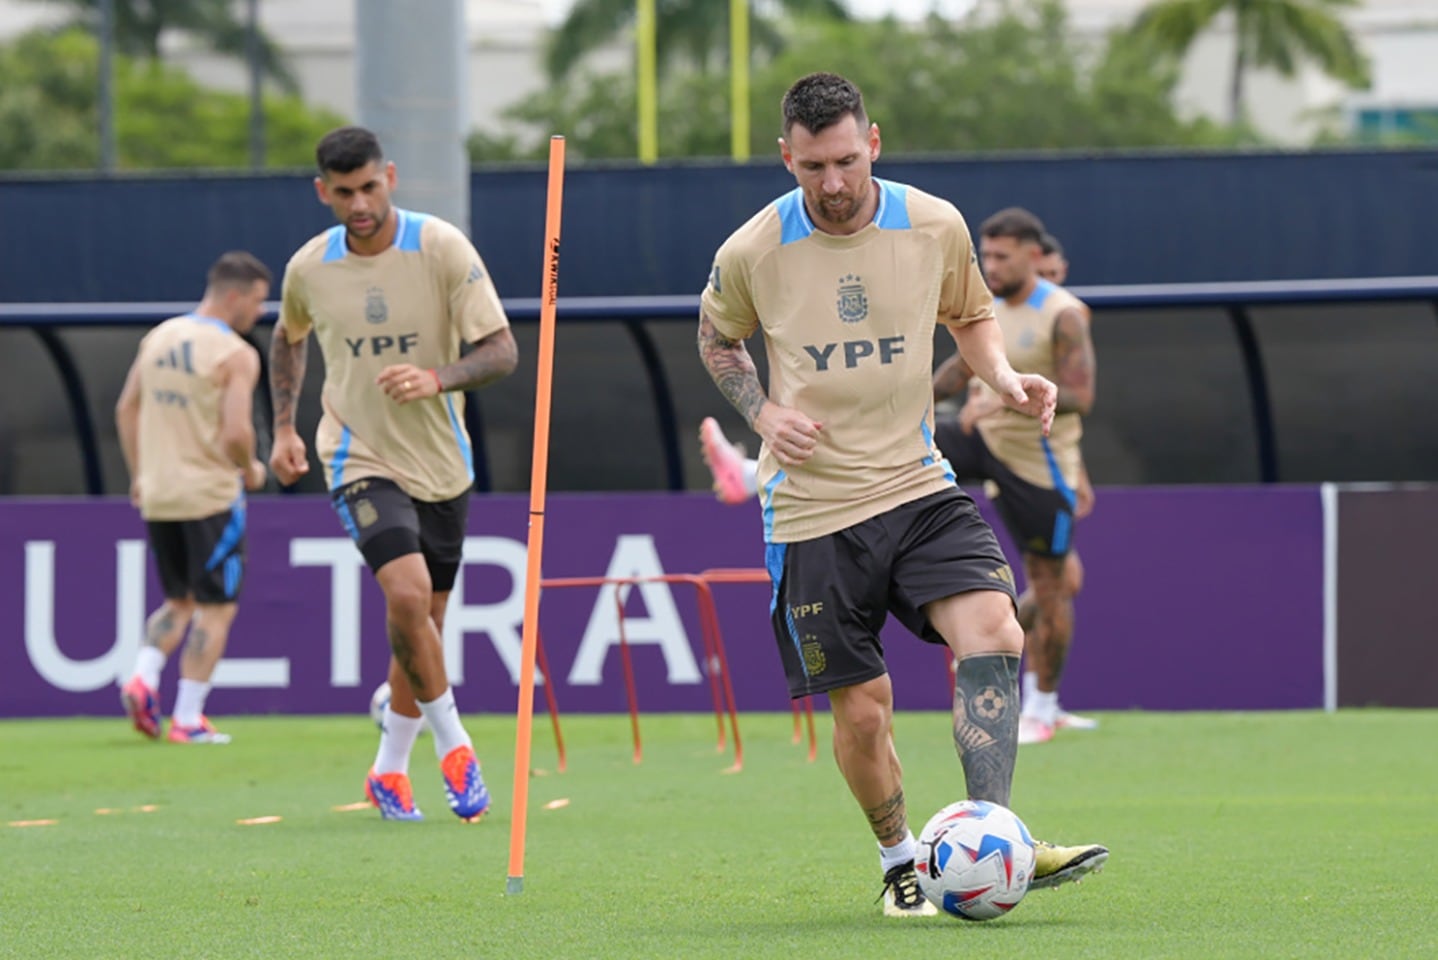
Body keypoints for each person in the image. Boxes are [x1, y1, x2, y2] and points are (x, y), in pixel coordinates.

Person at [697, 72, 1107, 918]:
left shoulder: (934, 222)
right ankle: (901, 866)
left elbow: (971, 312)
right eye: (813, 168)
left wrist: (1000, 376)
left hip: (917, 483)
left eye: (847, 160)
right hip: (811, 510)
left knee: (995, 626)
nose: (834, 184)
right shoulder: (752, 250)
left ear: (873, 142)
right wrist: (764, 412)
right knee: (863, 712)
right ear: (786, 158)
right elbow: (717, 339)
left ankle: (993, 837)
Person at [268, 126, 518, 822]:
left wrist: (438, 377)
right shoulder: (308, 268)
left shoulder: (440, 248)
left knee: (423, 625)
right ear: (324, 192)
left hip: (442, 461)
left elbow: (500, 351)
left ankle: (386, 770)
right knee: (407, 597)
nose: (359, 203)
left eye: (369, 187)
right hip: (356, 455)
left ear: (391, 179)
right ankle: (456, 747)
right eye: (343, 192)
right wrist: (285, 428)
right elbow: (287, 341)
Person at [931, 208, 1097, 746]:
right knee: (902, 437)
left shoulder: (1064, 314)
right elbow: (958, 372)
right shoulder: (985, 310)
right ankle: (757, 471)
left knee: (1055, 586)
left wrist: (1007, 400)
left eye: (1002, 256)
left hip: (1038, 468)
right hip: (985, 444)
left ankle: (1043, 707)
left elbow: (1080, 397)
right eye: (987, 255)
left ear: (1032, 255)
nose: (991, 265)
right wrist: (901, 400)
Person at [115, 251, 272, 744]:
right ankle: (187, 718)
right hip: (209, 495)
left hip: (160, 492)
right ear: (234, 296)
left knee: (177, 600)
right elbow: (235, 431)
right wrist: (249, 468)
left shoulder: (159, 336)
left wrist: (140, 474)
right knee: (215, 608)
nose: (259, 313)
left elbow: (126, 408)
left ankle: (141, 675)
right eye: (257, 301)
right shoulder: (236, 354)